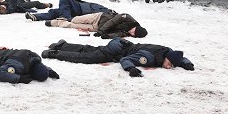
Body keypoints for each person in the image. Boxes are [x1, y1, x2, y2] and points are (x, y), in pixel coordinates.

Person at [41, 38, 194, 77]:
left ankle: (61, 45)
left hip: (121, 44)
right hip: (117, 50)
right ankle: (54, 53)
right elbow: (125, 60)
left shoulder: (167, 52)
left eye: (172, 66)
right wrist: (131, 69)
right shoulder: (148, 57)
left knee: (90, 49)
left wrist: (186, 64)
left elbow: (180, 56)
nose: (169, 66)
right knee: (87, 57)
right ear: (166, 58)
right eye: (169, 64)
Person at [45, 10, 147, 38]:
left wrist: (106, 36)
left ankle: (56, 22)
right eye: (134, 32)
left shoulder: (127, 33)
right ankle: (64, 18)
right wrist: (103, 30)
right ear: (136, 27)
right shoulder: (128, 18)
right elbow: (114, 20)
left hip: (96, 28)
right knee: (75, 20)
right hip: (99, 17)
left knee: (72, 25)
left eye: (134, 35)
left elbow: (118, 34)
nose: (132, 34)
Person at [25, 0, 113, 21]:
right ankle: (36, 17)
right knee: (54, 12)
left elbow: (97, 15)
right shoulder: (99, 7)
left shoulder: (104, 10)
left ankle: (66, 18)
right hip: (76, 9)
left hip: (79, 9)